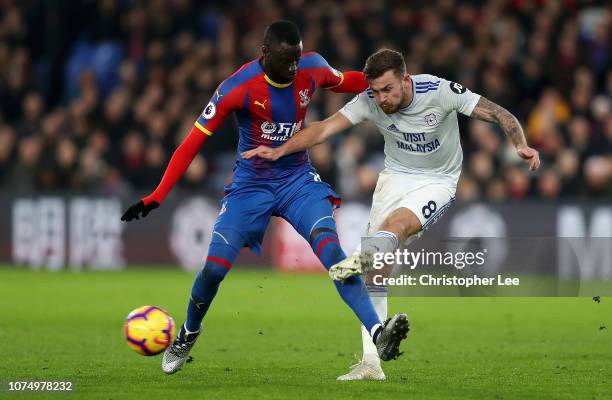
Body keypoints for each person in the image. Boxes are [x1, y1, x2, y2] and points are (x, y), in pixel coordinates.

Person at [121, 23, 409, 375]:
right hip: (250, 187)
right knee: (214, 269)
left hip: (297, 181)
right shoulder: (236, 88)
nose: (293, 69)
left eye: (297, 60)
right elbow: (191, 143)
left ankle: (378, 333)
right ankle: (188, 333)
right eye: (287, 61)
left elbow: (348, 80)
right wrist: (157, 194)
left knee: (333, 254)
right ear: (265, 54)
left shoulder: (312, 67)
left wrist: (398, 84)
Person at [242, 48, 541, 380]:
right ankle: (371, 362)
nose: (381, 98)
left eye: (388, 89)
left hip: (437, 182)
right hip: (394, 178)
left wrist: (519, 145)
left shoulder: (438, 91)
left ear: (405, 79)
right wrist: (281, 149)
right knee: (377, 266)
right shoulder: (369, 100)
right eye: (376, 91)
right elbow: (324, 129)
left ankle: (357, 259)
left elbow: (500, 113)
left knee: (392, 231)